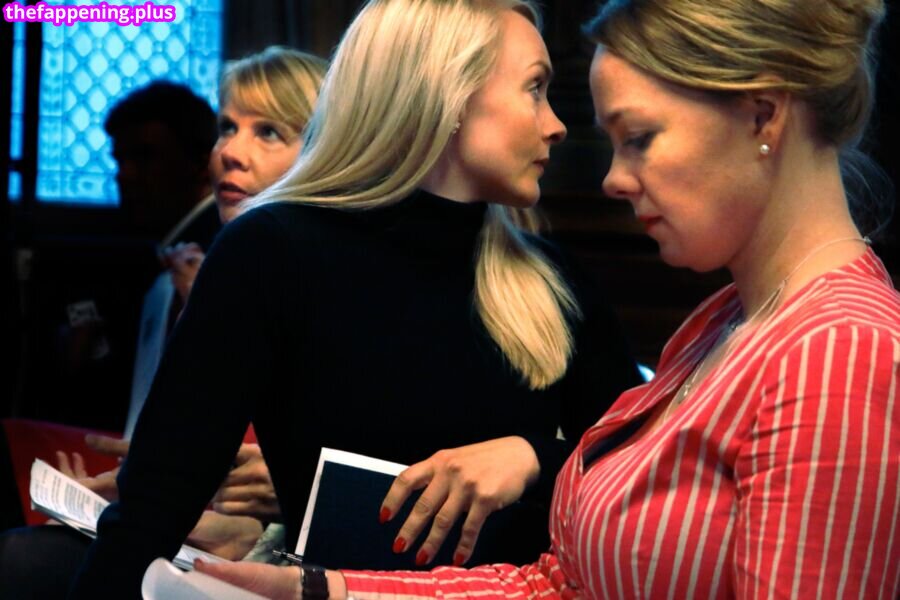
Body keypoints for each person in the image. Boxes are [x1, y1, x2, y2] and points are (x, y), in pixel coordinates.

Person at [196, 0, 900, 597]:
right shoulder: (724, 322)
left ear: (763, 117)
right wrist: (326, 589)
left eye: (640, 138)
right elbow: (561, 583)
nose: (613, 179)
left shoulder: (840, 351)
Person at [68, 0, 643, 596]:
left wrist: (532, 459)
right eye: (534, 89)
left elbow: (643, 477)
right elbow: (153, 507)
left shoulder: (552, 279)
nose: (556, 124)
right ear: (448, 94)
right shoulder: (270, 253)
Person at [0, 49, 328, 599]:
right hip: (210, 533)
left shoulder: (329, 281)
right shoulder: (188, 275)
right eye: (227, 128)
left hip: (292, 558)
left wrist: (277, 502)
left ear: (324, 150)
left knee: (23, 563)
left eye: (268, 132)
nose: (230, 152)